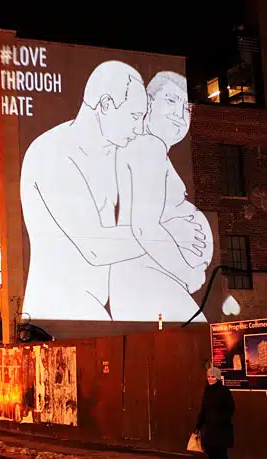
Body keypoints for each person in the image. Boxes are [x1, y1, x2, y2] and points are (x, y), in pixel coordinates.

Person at [20, 61, 203, 321]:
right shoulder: (52, 154)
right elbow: (96, 247)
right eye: (134, 116)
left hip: (96, 309)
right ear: (105, 105)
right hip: (58, 309)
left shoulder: (115, 152)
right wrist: (170, 232)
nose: (138, 128)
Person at [111, 71, 212, 322]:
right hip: (147, 278)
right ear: (148, 102)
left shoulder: (147, 149)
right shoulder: (149, 147)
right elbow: (144, 227)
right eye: (171, 100)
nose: (180, 114)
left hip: (143, 279)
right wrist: (188, 273)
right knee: (201, 339)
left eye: (186, 108)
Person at [196, 367, 234, 459]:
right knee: (210, 451)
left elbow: (230, 409)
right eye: (208, 377)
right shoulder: (207, 391)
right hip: (209, 427)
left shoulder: (224, 391)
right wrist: (198, 425)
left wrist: (221, 420)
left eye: (213, 377)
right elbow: (203, 409)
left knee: (221, 453)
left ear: (217, 378)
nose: (210, 379)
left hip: (221, 428)